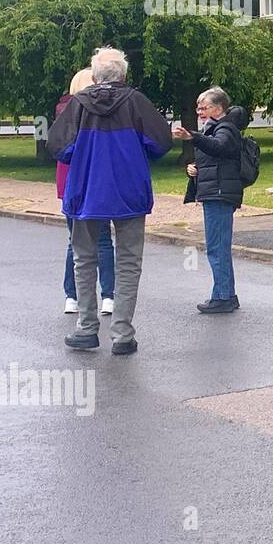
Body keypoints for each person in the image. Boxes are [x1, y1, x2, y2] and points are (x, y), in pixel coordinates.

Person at [47, 46, 173, 355]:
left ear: (94, 76)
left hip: (87, 190)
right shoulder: (136, 102)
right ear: (123, 75)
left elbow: (57, 145)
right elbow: (161, 142)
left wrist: (83, 159)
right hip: (129, 191)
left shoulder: (77, 105)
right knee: (129, 261)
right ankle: (122, 334)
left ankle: (87, 328)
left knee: (84, 258)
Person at [174, 87, 247, 314]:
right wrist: (193, 169)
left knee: (217, 247)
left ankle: (224, 296)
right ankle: (224, 294)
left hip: (219, 193)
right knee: (217, 246)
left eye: (204, 107)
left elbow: (220, 147)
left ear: (218, 108)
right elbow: (214, 157)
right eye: (198, 108)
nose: (199, 112)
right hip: (215, 191)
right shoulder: (215, 128)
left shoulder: (225, 128)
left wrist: (193, 137)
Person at [58, 68, 115, 316]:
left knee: (75, 241)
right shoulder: (95, 110)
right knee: (102, 239)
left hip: (69, 180)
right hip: (94, 179)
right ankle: (108, 295)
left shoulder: (64, 110)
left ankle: (72, 295)